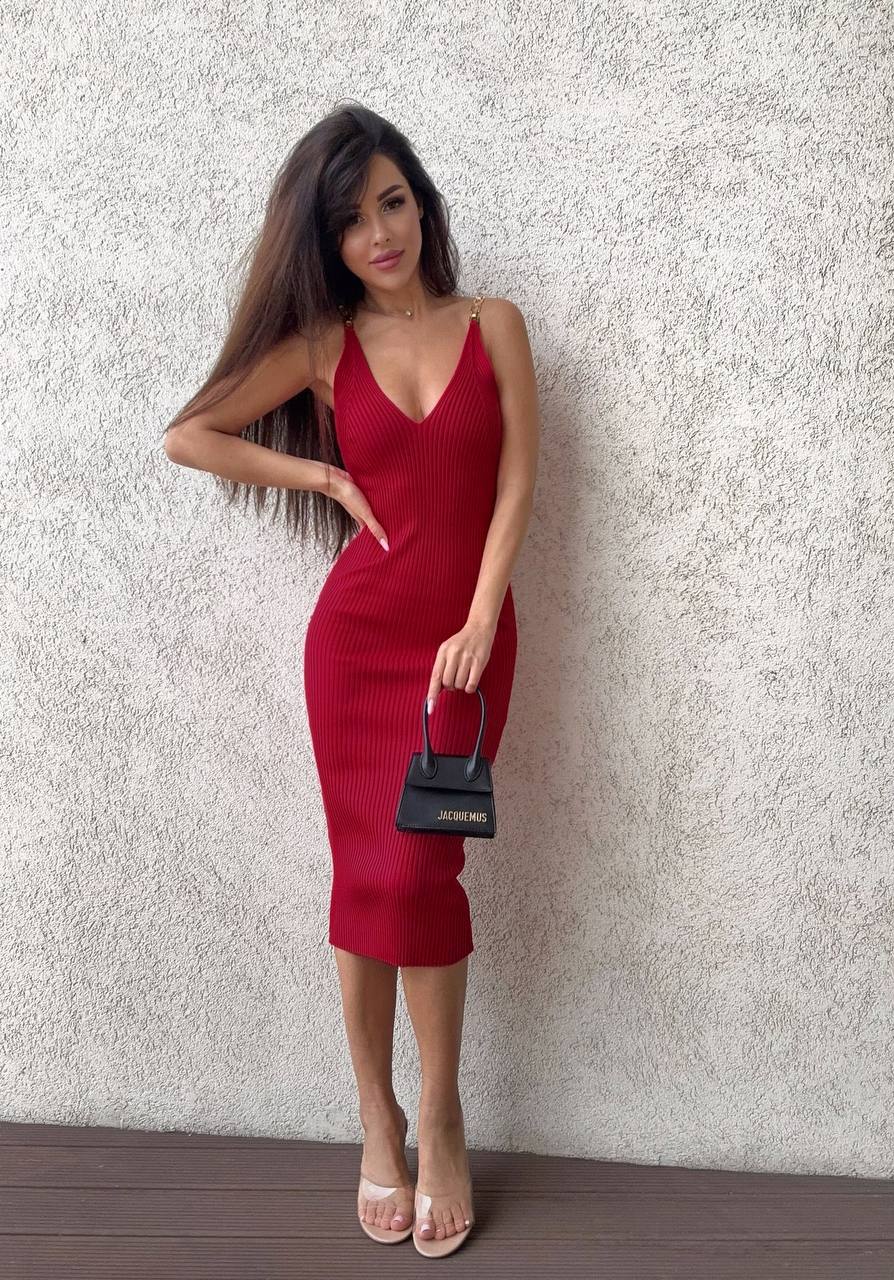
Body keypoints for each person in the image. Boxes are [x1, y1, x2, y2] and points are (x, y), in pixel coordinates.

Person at [162, 101, 539, 1257]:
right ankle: (378, 1115)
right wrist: (322, 481)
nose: (378, 233)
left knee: (425, 867)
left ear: (419, 201)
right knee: (366, 876)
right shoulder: (325, 348)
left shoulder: (495, 323)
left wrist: (478, 614)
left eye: (391, 201)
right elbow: (191, 432)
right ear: (324, 243)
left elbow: (519, 476)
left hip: (461, 649)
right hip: (357, 644)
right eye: (349, 220)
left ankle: (441, 1113)